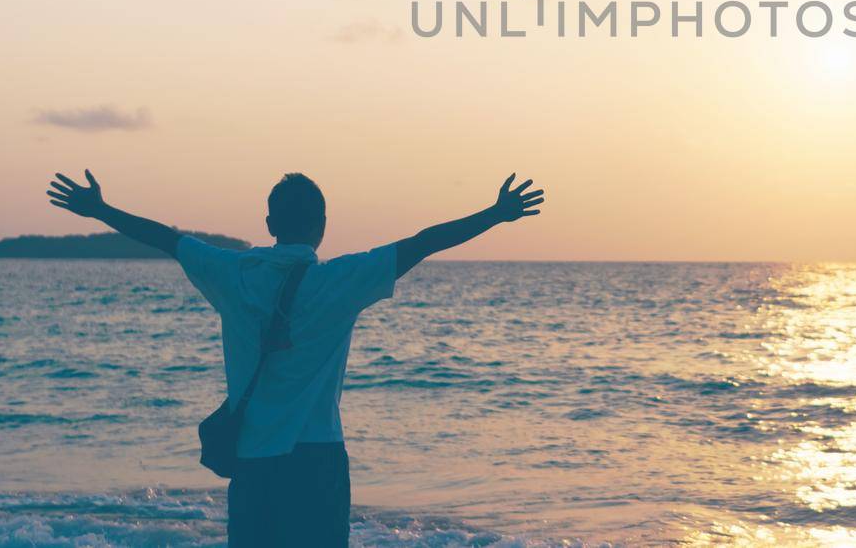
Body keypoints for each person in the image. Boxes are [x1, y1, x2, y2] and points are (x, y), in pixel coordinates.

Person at [44, 167, 546, 547]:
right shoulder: (339, 281)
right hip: (317, 460)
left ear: (268, 223)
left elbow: (167, 239)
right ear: (323, 226)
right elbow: (422, 244)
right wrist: (496, 214)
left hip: (253, 461)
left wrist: (101, 210)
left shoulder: (231, 272)